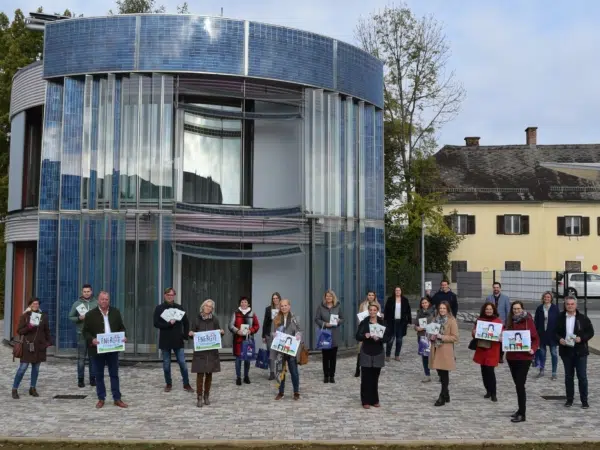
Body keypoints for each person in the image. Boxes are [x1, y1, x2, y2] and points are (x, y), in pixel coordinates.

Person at [82, 291, 128, 409]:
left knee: (114, 374)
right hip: (97, 349)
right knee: (99, 375)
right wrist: (91, 340)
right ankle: (101, 398)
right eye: (102, 299)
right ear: (98, 300)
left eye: (106, 299)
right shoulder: (90, 314)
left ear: (109, 300)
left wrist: (124, 336)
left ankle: (117, 398)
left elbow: (121, 327)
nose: (104, 301)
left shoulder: (115, 312)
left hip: (112, 348)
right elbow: (85, 332)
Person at [556, 295, 594, 409]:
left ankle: (584, 400)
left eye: (572, 304)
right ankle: (569, 399)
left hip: (580, 351)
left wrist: (581, 338)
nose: (570, 306)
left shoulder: (583, 318)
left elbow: (591, 332)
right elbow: (554, 332)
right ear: (565, 305)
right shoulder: (560, 317)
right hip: (566, 351)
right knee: (568, 376)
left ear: (576, 305)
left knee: (582, 376)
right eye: (568, 304)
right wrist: (559, 339)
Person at [153, 287, 193, 393]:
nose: (170, 297)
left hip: (177, 339)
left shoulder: (179, 307)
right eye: (168, 295)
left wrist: (185, 335)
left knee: (182, 363)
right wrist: (167, 324)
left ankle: (186, 384)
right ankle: (168, 383)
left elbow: (186, 322)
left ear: (174, 296)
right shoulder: (159, 308)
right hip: (165, 340)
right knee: (166, 365)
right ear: (164, 295)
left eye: (172, 295)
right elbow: (156, 323)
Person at [505, 301, 539, 423]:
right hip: (511, 357)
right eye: (514, 309)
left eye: (518, 308)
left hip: (524, 358)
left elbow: (535, 338)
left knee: (520, 385)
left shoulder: (528, 321)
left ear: (522, 309)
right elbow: (505, 335)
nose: (516, 311)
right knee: (517, 384)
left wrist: (533, 349)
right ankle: (520, 410)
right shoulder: (510, 321)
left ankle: (522, 414)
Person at [11, 298, 51, 399]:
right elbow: (19, 331)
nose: (36, 305)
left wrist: (48, 342)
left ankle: (32, 388)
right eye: (33, 304)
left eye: (37, 304)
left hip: (39, 346)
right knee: (22, 368)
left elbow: (47, 330)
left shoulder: (43, 316)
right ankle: (14, 388)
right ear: (30, 305)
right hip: (27, 346)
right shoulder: (25, 316)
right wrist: (29, 327)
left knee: (36, 369)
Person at [189, 299, 225, 408]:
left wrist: (221, 332)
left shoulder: (215, 320)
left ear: (212, 309)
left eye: (210, 307)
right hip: (200, 352)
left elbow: (218, 334)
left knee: (209, 374)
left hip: (211, 352)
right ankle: (199, 396)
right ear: (203, 307)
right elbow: (192, 332)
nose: (208, 308)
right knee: (200, 374)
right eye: (206, 306)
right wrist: (191, 333)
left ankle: (206, 396)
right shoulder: (196, 319)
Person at [356, 301, 390, 409]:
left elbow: (387, 338)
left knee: (375, 378)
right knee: (365, 378)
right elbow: (357, 336)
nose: (372, 312)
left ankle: (374, 399)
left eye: (374, 310)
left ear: (377, 311)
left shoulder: (382, 322)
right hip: (366, 351)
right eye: (370, 310)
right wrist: (365, 335)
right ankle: (365, 400)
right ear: (368, 311)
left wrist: (380, 338)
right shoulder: (364, 322)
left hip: (378, 352)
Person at [429, 301, 459, 407]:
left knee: (444, 374)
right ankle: (446, 394)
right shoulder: (435, 319)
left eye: (444, 308)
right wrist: (431, 336)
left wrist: (442, 337)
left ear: (447, 309)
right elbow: (430, 332)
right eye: (440, 308)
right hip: (436, 349)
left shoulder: (451, 320)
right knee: (440, 373)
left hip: (445, 350)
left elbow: (455, 337)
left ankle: (442, 396)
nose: (442, 310)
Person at [68, 284, 98, 388]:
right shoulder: (77, 304)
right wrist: (79, 318)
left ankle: (92, 379)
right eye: (84, 291)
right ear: (82, 292)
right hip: (81, 334)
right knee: (81, 358)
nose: (86, 293)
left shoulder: (96, 303)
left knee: (92, 358)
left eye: (88, 291)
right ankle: (80, 379)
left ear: (91, 291)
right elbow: (71, 316)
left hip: (93, 335)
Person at [273, 298, 302, 400]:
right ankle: (281, 392)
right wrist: (274, 334)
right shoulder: (276, 318)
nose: (284, 307)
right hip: (280, 349)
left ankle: (296, 391)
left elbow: (299, 330)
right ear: (280, 307)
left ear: (289, 306)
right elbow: (273, 332)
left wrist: (298, 335)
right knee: (280, 371)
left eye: (285, 305)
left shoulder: (295, 318)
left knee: (294, 371)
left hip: (291, 349)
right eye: (282, 306)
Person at [472, 302, 502, 402]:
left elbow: (502, 334)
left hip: (492, 349)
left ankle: (493, 392)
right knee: (484, 370)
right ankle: (488, 390)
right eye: (487, 309)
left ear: (493, 310)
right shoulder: (480, 320)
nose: (488, 311)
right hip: (482, 348)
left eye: (490, 309)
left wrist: (500, 336)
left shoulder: (498, 321)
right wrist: (474, 332)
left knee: (490, 371)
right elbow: (475, 332)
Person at [228, 296, 260, 386]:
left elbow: (257, 325)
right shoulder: (235, 313)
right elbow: (230, 325)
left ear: (248, 304)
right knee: (238, 359)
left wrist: (251, 331)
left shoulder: (252, 313)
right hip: (238, 340)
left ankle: (246, 376)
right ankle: (238, 377)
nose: (243, 304)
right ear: (240, 303)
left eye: (245, 302)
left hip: (248, 340)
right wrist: (237, 331)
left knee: (247, 359)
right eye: (242, 302)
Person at [314, 289, 344, 383]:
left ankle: (332, 375)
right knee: (325, 356)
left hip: (334, 334)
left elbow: (343, 318)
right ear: (325, 297)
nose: (328, 298)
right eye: (327, 296)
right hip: (325, 334)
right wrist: (324, 324)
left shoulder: (338, 307)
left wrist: (339, 321)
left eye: (330, 296)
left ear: (333, 297)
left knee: (333, 356)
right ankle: (326, 375)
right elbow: (317, 319)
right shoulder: (320, 307)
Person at [534, 291, 559, 379]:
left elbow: (558, 321)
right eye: (545, 297)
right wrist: (536, 332)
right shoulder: (540, 308)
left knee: (554, 353)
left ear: (551, 298)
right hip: (542, 334)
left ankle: (554, 372)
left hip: (552, 334)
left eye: (548, 297)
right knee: (542, 353)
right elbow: (536, 321)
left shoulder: (555, 308)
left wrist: (558, 334)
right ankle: (541, 370)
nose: (546, 299)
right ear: (543, 298)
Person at [383, 286, 411, 361]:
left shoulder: (405, 300)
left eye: (399, 290)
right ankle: (388, 355)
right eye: (396, 290)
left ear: (401, 291)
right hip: (391, 322)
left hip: (401, 322)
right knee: (390, 339)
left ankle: (397, 355)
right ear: (394, 291)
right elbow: (386, 311)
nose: (398, 292)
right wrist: (385, 321)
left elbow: (408, 311)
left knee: (399, 339)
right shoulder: (390, 299)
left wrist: (409, 321)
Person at [355, 291, 378, 377]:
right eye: (369, 295)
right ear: (367, 296)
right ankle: (358, 368)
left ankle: (371, 367)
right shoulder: (363, 305)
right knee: (360, 349)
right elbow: (359, 316)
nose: (371, 296)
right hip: (364, 329)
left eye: (372, 295)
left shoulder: (377, 305)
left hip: (374, 329)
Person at [486, 282, 509, 363]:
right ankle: (493, 354)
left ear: (500, 288)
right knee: (492, 339)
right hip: (491, 322)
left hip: (502, 322)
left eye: (497, 287)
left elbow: (508, 311)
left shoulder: (505, 298)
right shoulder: (489, 298)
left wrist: (507, 323)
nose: (496, 289)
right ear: (493, 288)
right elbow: (486, 309)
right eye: (494, 287)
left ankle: (501, 356)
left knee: (501, 340)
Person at [414, 296, 435, 382]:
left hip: (432, 337)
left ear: (429, 303)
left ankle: (441, 373)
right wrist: (417, 328)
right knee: (425, 356)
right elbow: (415, 324)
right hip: (422, 337)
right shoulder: (419, 313)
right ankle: (427, 374)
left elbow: (436, 324)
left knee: (435, 356)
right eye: (423, 303)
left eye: (426, 302)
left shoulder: (434, 312)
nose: (424, 304)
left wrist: (424, 327)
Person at [262, 292, 281, 380]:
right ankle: (272, 372)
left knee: (280, 354)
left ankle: (279, 371)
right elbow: (265, 323)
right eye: (274, 298)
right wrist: (263, 336)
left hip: (280, 334)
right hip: (270, 334)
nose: (275, 300)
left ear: (279, 299)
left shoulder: (283, 308)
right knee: (271, 353)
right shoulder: (268, 309)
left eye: (276, 298)